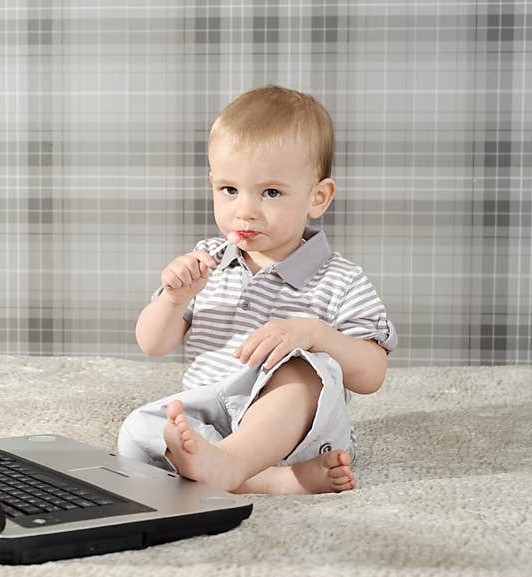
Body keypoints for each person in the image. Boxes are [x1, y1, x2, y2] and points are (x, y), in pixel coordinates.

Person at [117, 85, 397, 495]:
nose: (244, 209)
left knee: (303, 368)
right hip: (213, 417)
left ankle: (235, 462)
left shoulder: (340, 278)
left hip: (295, 429)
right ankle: (264, 479)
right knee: (137, 431)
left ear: (317, 198)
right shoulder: (206, 261)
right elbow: (152, 344)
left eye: (270, 193)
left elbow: (372, 375)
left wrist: (315, 335)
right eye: (229, 190)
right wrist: (175, 299)